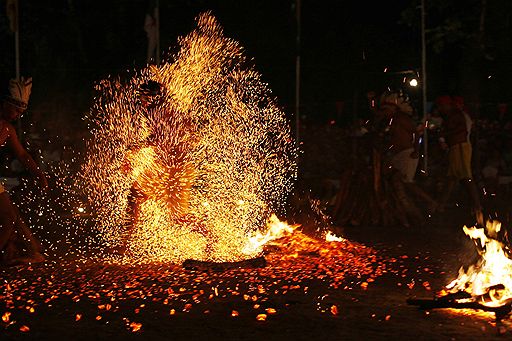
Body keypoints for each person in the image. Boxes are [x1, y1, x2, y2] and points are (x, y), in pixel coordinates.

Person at [0, 77, 48, 265]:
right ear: (4, 103)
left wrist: (39, 174)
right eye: (15, 110)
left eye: (21, 112)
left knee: (12, 217)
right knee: (9, 216)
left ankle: (29, 250)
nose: (17, 115)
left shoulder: (8, 129)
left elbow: (22, 155)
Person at [379, 91, 438, 212]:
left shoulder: (402, 118)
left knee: (407, 182)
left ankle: (430, 202)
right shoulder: (393, 120)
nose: (384, 112)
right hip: (398, 154)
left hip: (408, 153)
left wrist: (416, 150)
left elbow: (416, 133)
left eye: (386, 109)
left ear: (392, 108)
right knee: (395, 179)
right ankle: (402, 206)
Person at [436, 95, 483, 225]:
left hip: (461, 146)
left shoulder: (456, 114)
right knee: (452, 177)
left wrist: (444, 134)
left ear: (448, 105)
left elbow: (460, 131)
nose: (440, 109)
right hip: (456, 147)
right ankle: (440, 205)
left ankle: (477, 206)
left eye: (442, 106)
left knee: (466, 177)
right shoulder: (453, 115)